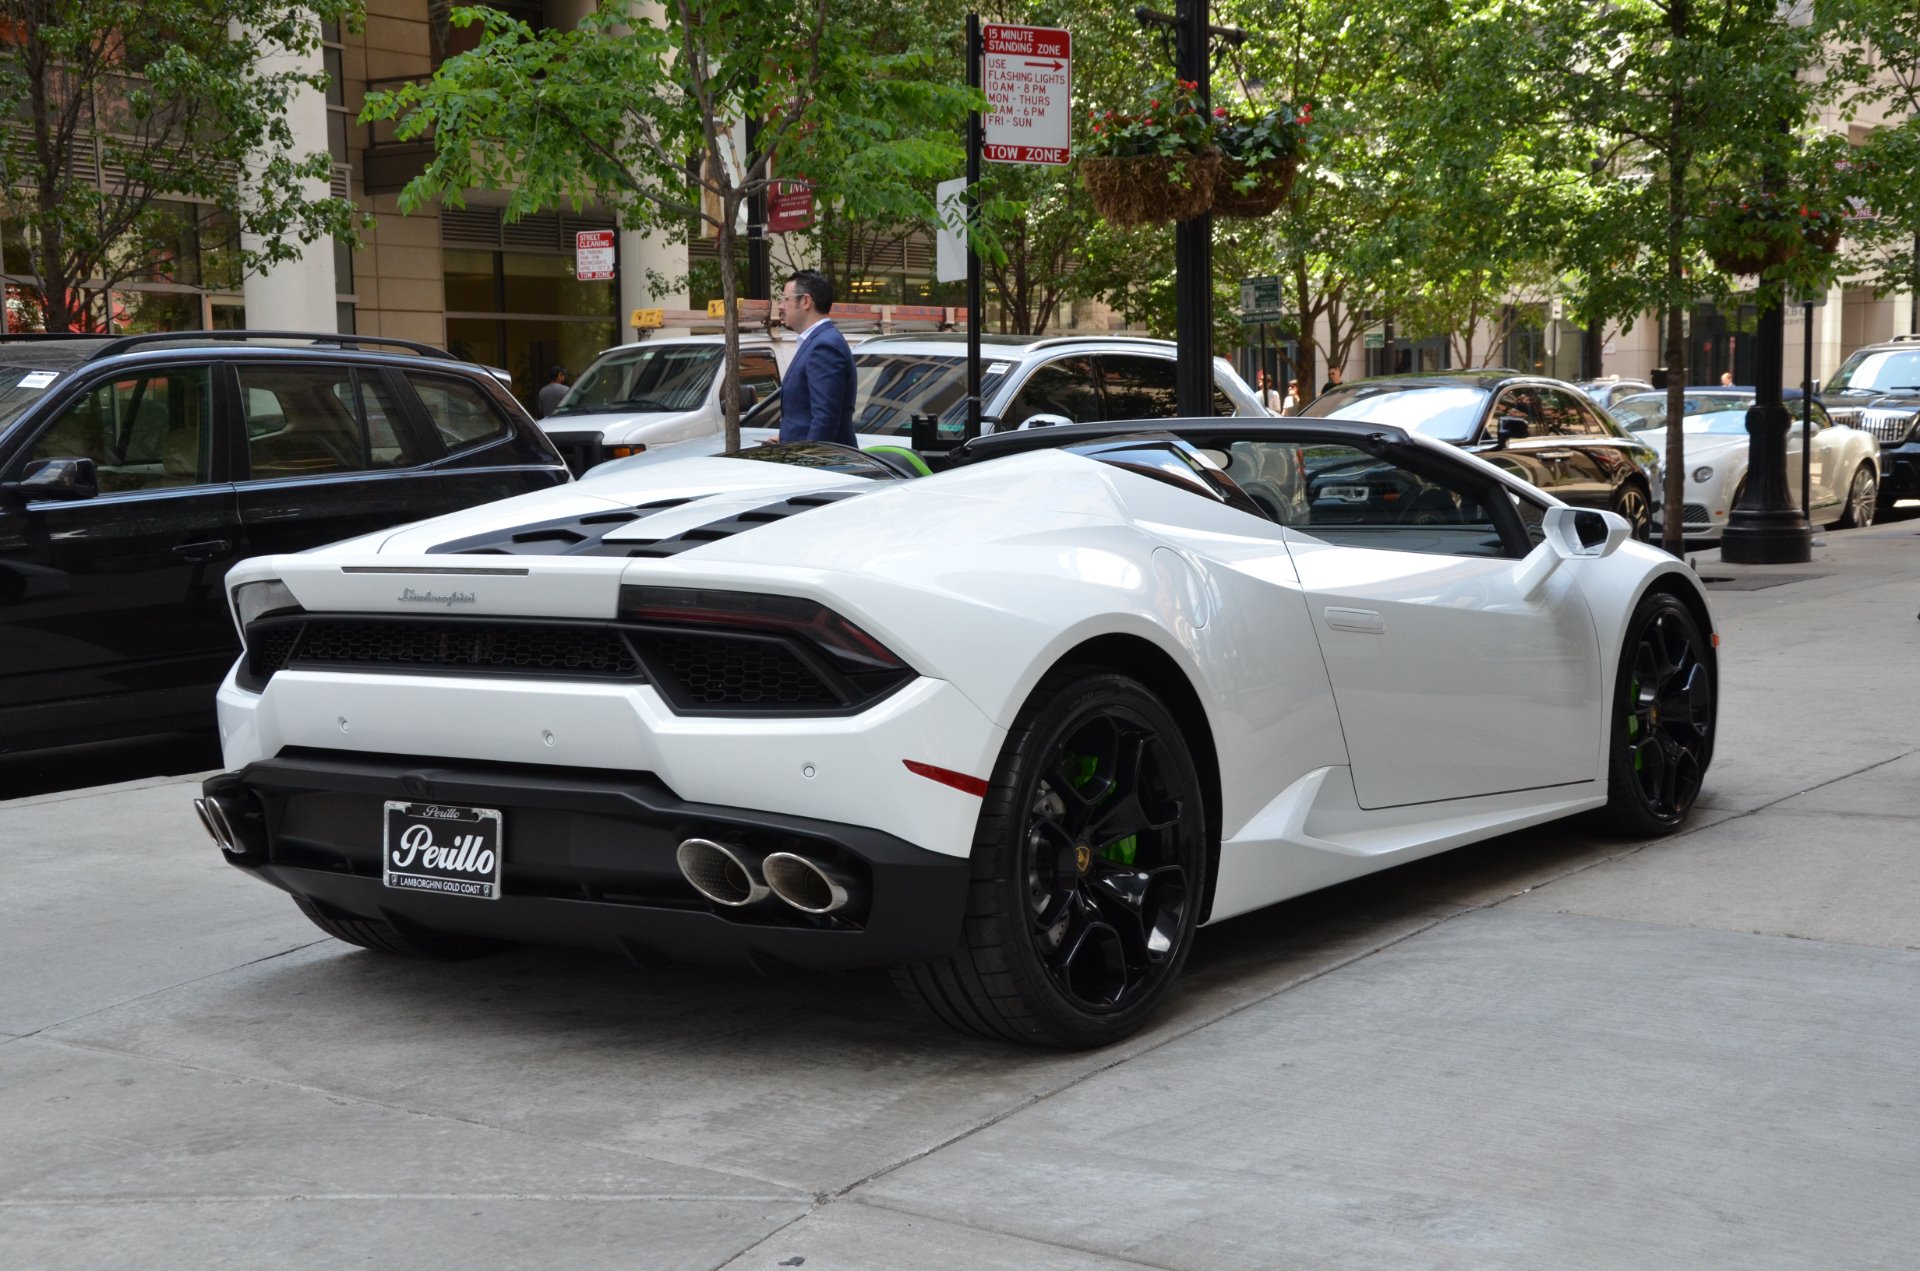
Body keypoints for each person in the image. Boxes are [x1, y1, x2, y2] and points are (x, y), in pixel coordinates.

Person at [776, 269, 857, 447]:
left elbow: (825, 419)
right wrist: (786, 439)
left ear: (805, 301)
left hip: (820, 466)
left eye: (785, 299)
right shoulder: (818, 341)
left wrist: (809, 461)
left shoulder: (824, 346)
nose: (781, 306)